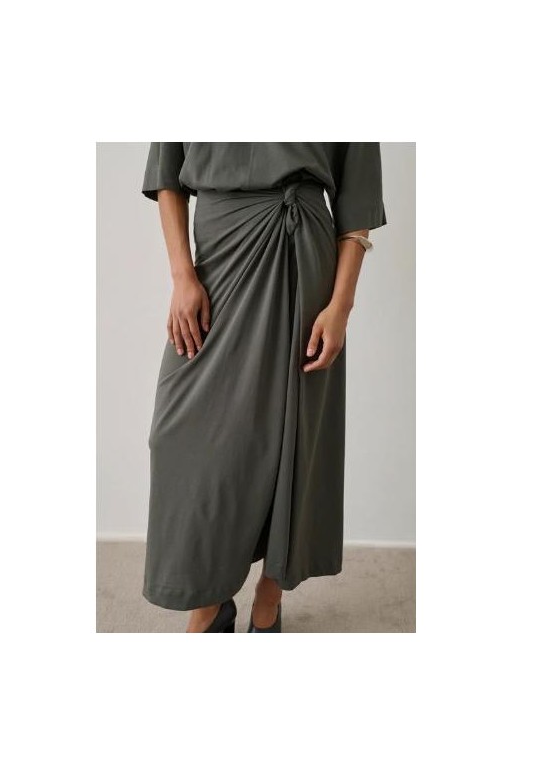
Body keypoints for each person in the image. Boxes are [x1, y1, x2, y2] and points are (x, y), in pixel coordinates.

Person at [141, 143, 386, 633]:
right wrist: (182, 276)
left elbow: (357, 202)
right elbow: (167, 173)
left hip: (302, 258)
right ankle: (209, 601)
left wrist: (340, 306)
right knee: (180, 439)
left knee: (293, 434)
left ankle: (268, 599)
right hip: (218, 259)